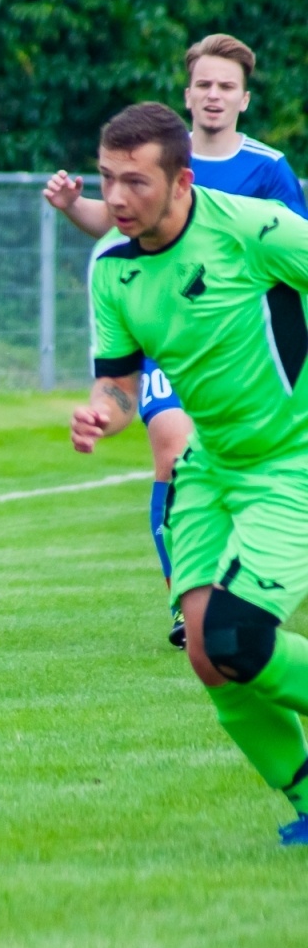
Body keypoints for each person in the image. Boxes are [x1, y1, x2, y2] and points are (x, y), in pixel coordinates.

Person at [70, 101, 308, 846]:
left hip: (293, 464)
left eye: (135, 182)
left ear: (182, 182)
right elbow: (118, 382)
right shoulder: (112, 268)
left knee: (239, 639)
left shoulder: (253, 229)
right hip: (210, 468)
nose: (116, 198)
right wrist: (103, 412)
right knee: (208, 654)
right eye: (106, 179)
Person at [44, 33, 308, 649]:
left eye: (226, 86)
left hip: (251, 356)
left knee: (236, 642)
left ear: (244, 99)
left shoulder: (264, 175)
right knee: (172, 449)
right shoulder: (145, 168)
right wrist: (104, 408)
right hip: (167, 344)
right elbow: (112, 229)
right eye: (205, 84)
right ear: (187, 94)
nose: (214, 95)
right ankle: (187, 605)